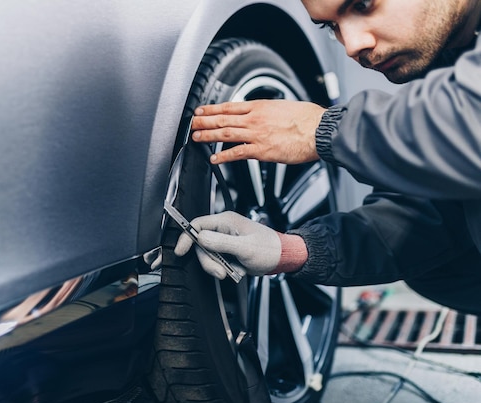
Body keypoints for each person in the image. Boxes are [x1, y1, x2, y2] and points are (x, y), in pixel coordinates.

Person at [174, 0, 481, 316]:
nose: (352, 45)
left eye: (363, 4)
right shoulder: (451, 60)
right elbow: (436, 213)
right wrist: (289, 250)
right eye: (330, 26)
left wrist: (321, 130)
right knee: (435, 263)